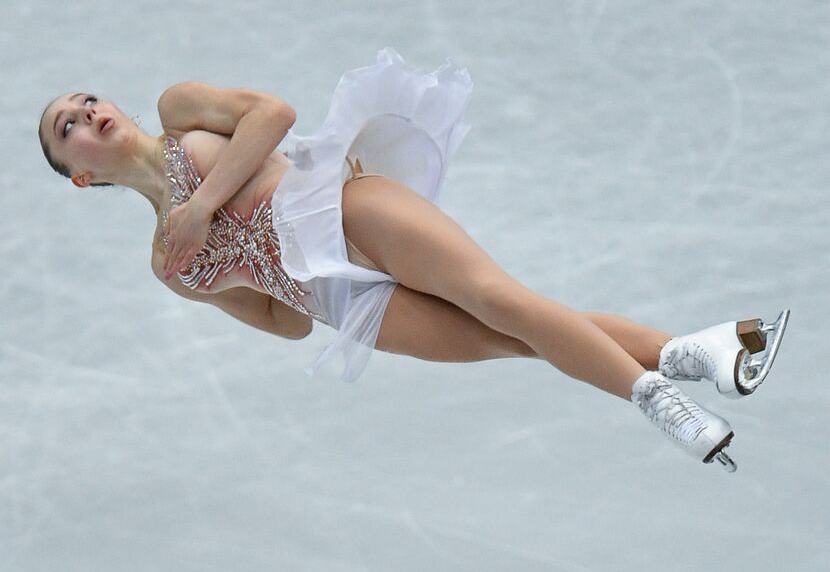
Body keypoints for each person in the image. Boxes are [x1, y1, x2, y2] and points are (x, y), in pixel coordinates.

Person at [38, 48, 788, 471]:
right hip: (334, 299)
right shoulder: (169, 265)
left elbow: (274, 115)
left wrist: (204, 209)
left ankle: (665, 405)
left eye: (84, 100)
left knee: (503, 301)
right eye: (67, 127)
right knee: (511, 340)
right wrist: (253, 273)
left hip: (343, 210)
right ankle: (704, 353)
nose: (85, 113)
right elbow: (280, 322)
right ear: (80, 175)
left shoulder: (178, 112)